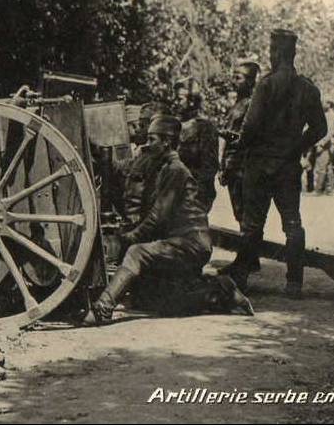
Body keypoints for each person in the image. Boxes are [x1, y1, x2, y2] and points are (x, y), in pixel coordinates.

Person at [85, 115, 252, 325]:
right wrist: (94, 148)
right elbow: (125, 171)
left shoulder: (175, 171)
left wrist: (126, 239)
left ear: (166, 142)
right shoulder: (162, 166)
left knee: (137, 253)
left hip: (191, 244)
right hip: (180, 242)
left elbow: (157, 218)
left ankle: (103, 308)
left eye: (152, 139)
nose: (148, 144)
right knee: (156, 302)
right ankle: (219, 287)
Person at [221, 28, 327, 299]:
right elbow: (320, 129)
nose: (269, 56)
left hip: (259, 165)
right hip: (288, 166)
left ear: (277, 53)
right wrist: (295, 148)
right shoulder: (308, 88)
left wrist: (241, 148)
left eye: (270, 51)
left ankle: (241, 278)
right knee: (292, 223)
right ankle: (294, 283)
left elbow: (251, 125)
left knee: (252, 224)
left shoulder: (265, 85)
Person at [219, 59, 261, 226]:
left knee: (245, 213)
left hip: (243, 165)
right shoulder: (238, 104)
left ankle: (249, 249)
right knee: (239, 212)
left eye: (239, 78)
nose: (234, 82)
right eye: (234, 77)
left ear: (250, 81)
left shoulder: (253, 105)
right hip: (233, 164)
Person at [174, 77, 219, 213]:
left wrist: (195, 194)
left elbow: (209, 167)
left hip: (196, 194)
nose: (176, 103)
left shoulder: (205, 127)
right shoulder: (173, 125)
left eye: (180, 99)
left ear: (192, 101)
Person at [312, 94, 334, 194]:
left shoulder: (330, 116)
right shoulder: (324, 114)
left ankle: (318, 189)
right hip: (324, 144)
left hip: (325, 145)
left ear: (328, 104)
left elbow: (330, 132)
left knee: (321, 166)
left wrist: (321, 144)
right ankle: (328, 188)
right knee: (328, 166)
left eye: (323, 102)